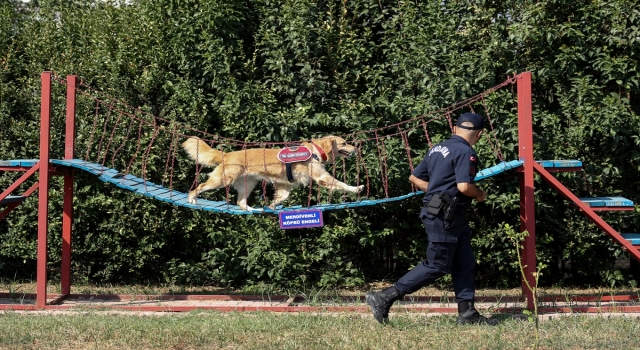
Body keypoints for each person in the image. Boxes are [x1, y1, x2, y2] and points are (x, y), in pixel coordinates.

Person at [365, 112, 498, 326]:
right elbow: (464, 187)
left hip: (448, 214)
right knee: (437, 264)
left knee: (464, 263)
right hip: (445, 216)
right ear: (480, 134)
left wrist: (436, 193)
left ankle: (468, 314)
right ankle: (385, 296)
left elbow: (415, 177)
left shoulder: (437, 149)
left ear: (454, 129)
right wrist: (481, 194)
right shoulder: (466, 152)